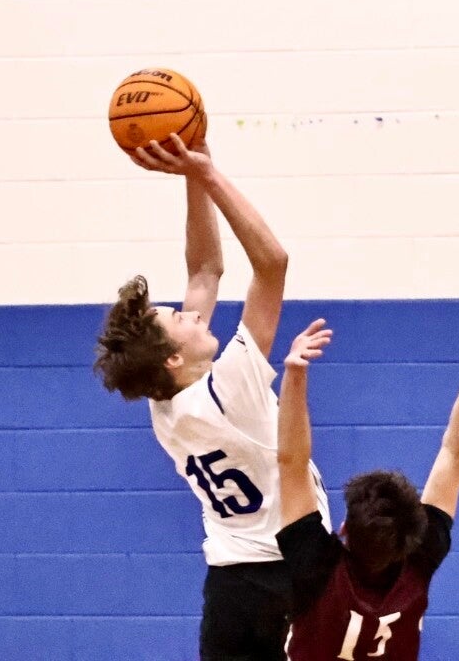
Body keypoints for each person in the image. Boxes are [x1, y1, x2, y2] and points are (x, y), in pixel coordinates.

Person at [93, 135, 329, 661]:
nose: (193, 313)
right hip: (289, 574)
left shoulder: (164, 404)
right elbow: (273, 262)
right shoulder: (232, 385)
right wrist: (208, 176)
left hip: (228, 588)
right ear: (174, 358)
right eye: (179, 318)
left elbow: (204, 269)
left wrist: (192, 167)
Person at [275, 318, 459, 660]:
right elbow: (454, 453)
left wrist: (295, 374)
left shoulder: (316, 566)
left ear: (344, 529)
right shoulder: (420, 558)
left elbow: (292, 462)